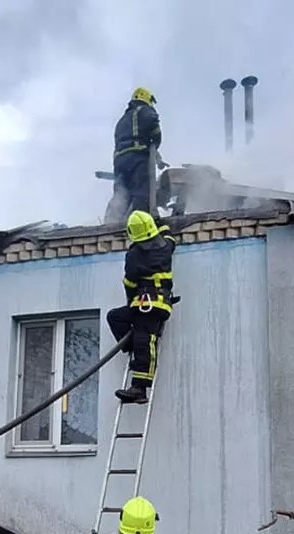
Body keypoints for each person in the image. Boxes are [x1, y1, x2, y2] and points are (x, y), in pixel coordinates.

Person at [106, 210, 177, 404]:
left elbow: (129, 283)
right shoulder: (165, 246)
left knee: (145, 340)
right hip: (152, 305)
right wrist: (161, 223)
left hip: (149, 307)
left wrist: (131, 302)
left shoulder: (134, 254)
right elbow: (170, 236)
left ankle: (139, 388)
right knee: (115, 317)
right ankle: (130, 348)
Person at [106, 87, 164, 222]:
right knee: (141, 193)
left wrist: (157, 157)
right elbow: (155, 132)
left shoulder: (122, 120)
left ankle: (112, 222)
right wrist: (155, 144)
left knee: (122, 193)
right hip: (137, 158)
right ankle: (141, 221)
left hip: (119, 161)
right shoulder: (145, 111)